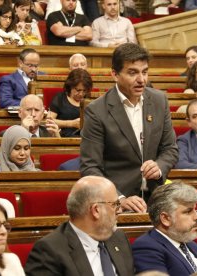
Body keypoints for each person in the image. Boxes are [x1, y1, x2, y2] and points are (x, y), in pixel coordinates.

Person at [80, 43, 178, 213]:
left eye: (144, 72)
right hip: (116, 207)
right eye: (133, 73)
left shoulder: (159, 100)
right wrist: (118, 200)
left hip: (156, 200)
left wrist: (160, 166)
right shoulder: (96, 111)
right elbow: (90, 168)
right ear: (115, 74)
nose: (141, 79)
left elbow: (170, 149)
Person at [25, 175, 135, 275]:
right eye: (115, 204)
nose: (119, 210)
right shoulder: (50, 251)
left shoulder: (118, 238)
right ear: (96, 210)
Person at [132, 182, 197, 275]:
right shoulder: (147, 248)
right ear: (166, 219)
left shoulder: (193, 245)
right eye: (188, 211)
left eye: (195, 210)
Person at [50, 69, 92, 137]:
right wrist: (71, 123)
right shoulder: (60, 98)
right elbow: (49, 121)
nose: (81, 94)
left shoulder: (89, 101)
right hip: (63, 138)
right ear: (70, 86)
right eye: (78, 90)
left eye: (84, 90)